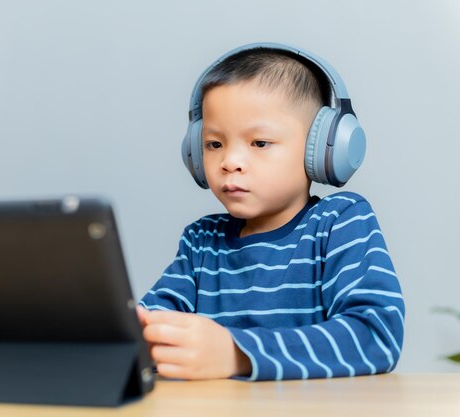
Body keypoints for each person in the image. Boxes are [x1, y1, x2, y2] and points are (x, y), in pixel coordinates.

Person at [137, 43, 405, 381]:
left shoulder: (340, 222)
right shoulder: (201, 242)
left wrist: (238, 353)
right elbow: (155, 323)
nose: (229, 162)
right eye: (214, 144)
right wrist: (132, 329)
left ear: (321, 148)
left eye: (259, 143)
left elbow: (375, 337)